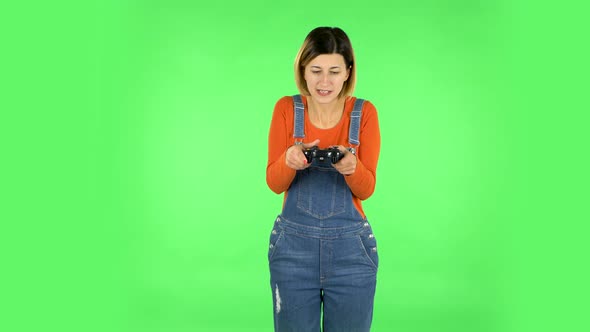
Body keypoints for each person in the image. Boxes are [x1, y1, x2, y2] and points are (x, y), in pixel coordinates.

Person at [266, 26, 381, 332]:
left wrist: (351, 168)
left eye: (334, 71)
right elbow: (275, 183)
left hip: (351, 257)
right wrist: (289, 161)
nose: (324, 81)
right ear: (303, 70)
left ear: (348, 72)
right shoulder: (286, 110)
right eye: (316, 70)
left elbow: (367, 188)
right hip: (293, 254)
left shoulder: (365, 114)